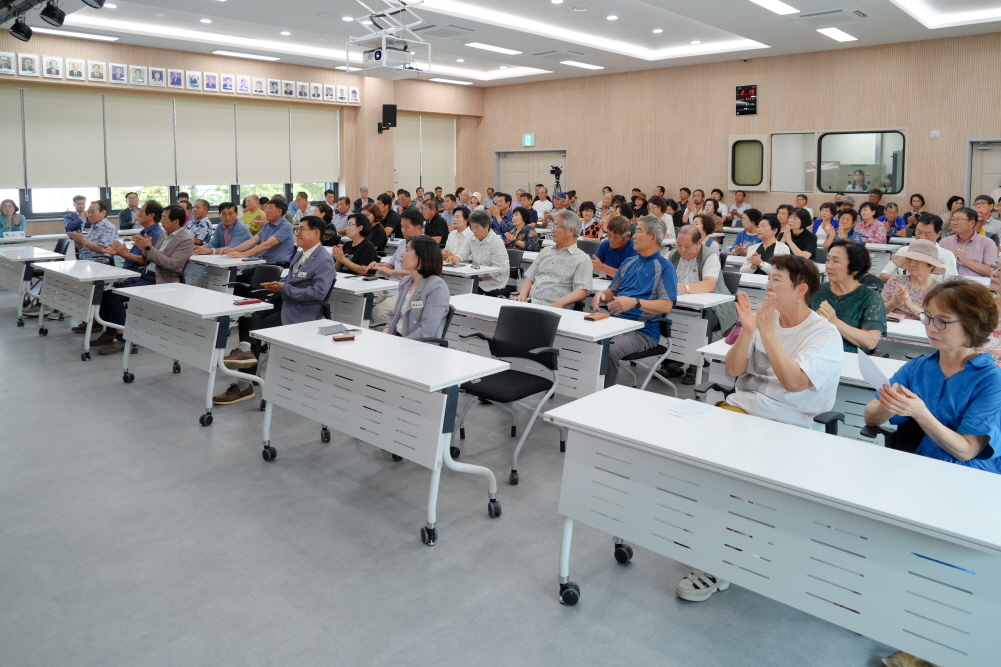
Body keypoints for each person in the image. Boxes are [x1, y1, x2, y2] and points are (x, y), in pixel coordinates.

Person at [673, 254, 844, 604]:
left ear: (801, 289)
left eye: (776, 281)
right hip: (740, 410)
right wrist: (748, 331)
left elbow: (794, 383)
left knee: (737, 483)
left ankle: (723, 560)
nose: (768, 287)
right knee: (690, 460)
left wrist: (766, 331)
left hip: (790, 423)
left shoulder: (823, 335)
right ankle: (713, 537)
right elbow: (735, 372)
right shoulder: (765, 320)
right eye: (769, 280)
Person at [217, 216, 336, 405]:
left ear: (316, 232)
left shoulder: (324, 260)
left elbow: (318, 294)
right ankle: (245, 354)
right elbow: (292, 280)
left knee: (257, 328)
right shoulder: (299, 254)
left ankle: (243, 382)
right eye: (296, 230)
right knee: (248, 315)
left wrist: (285, 289)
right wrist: (279, 285)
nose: (296, 234)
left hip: (301, 312)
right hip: (285, 302)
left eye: (301, 230)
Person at [592, 216, 677, 387]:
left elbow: (667, 305)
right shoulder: (628, 262)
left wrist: (634, 303)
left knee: (609, 350)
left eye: (638, 231)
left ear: (653, 237)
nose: (634, 236)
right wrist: (602, 294)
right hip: (616, 324)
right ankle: (586, 391)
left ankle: (602, 399)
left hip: (643, 331)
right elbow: (612, 291)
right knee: (587, 340)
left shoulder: (665, 268)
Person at [96, 204, 193, 355]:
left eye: (166, 218)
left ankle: (122, 338)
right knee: (106, 289)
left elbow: (172, 264)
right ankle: (110, 332)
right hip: (146, 275)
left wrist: (148, 249)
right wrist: (143, 251)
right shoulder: (164, 235)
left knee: (114, 294)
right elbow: (149, 260)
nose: (162, 221)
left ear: (176, 221)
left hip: (162, 280)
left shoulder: (186, 240)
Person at [669, 224, 739, 383]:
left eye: (687, 246)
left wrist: (685, 287)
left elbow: (709, 285)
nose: (682, 250)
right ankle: (673, 359)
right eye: (679, 245)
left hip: (713, 308)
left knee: (696, 322)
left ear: (698, 243)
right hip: (680, 305)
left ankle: (695, 365)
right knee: (669, 316)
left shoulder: (710, 256)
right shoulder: (672, 255)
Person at [811, 239, 887, 353]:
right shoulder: (816, 290)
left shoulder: (870, 297)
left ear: (855, 268)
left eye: (836, 261)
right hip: (814, 354)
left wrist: (834, 321)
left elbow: (871, 342)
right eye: (828, 260)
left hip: (851, 360)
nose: (829, 266)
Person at [514, 209, 592, 308]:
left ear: (570, 230)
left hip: (553, 306)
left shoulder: (582, 259)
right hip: (530, 302)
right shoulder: (546, 251)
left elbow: (582, 291)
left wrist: (561, 302)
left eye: (556, 226)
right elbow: (530, 278)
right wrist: (522, 296)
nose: (552, 230)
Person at [384, 235, 451, 340]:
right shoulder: (406, 281)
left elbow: (427, 331)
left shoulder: (437, 287)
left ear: (421, 256)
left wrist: (399, 344)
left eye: (407, 250)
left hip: (417, 345)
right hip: (397, 339)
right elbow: (394, 316)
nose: (402, 255)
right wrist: (384, 335)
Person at [368, 210, 426, 325]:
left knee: (379, 312)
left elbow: (416, 273)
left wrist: (390, 271)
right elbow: (393, 264)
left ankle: (393, 334)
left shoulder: (425, 246)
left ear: (419, 228)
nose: (403, 230)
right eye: (401, 227)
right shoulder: (403, 243)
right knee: (366, 309)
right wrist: (379, 265)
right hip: (390, 287)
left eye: (407, 227)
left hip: (406, 291)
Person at [879, 214, 958, 282]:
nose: (922, 237)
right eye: (919, 232)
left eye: (927, 234)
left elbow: (952, 286)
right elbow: (883, 276)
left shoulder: (947, 256)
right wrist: (900, 279)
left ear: (939, 234)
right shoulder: (903, 251)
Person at [223, 195, 295, 266]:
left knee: (243, 276)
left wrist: (244, 254)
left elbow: (267, 245)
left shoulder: (285, 226)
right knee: (240, 275)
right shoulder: (267, 225)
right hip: (263, 262)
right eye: (266, 208)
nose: (266, 211)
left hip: (277, 265)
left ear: (279, 211)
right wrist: (234, 249)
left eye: (269, 208)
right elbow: (252, 241)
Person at [882, 240, 944, 320]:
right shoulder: (895, 281)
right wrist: (895, 302)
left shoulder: (939, 291)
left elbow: (936, 320)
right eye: (909, 259)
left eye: (918, 260)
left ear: (931, 265)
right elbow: (878, 311)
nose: (911, 264)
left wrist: (910, 304)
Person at [461, 210, 510, 294]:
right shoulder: (472, 238)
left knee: (467, 288)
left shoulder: (496, 241)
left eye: (477, 227)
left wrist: (477, 279)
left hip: (495, 280)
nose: (474, 231)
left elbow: (497, 270)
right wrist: (454, 258)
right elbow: (463, 254)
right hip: (478, 276)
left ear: (487, 226)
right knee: (461, 285)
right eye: (472, 227)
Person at [940, 206, 998, 277]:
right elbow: (937, 268)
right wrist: (951, 261)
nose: (954, 223)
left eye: (959, 219)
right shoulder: (944, 242)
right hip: (949, 284)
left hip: (976, 286)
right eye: (952, 219)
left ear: (972, 223)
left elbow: (991, 271)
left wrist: (965, 260)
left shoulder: (987, 243)